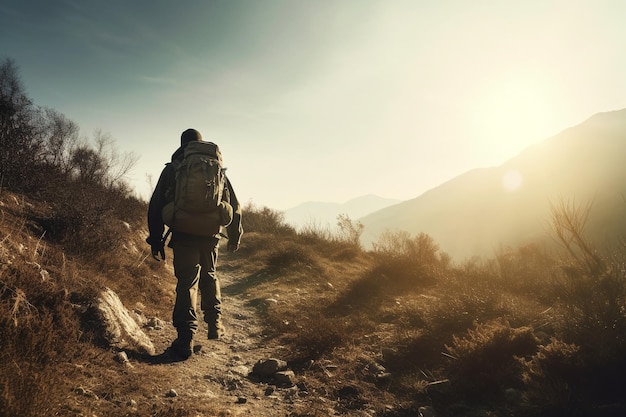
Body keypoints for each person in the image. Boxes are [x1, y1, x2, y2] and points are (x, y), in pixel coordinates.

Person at [146, 128, 243, 360]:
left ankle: (185, 339)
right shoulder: (217, 169)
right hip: (210, 234)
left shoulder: (173, 169)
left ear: (182, 145)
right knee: (209, 275)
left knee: (187, 283)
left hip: (183, 233)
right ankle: (214, 324)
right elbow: (234, 204)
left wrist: (156, 239)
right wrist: (234, 236)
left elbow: (156, 205)